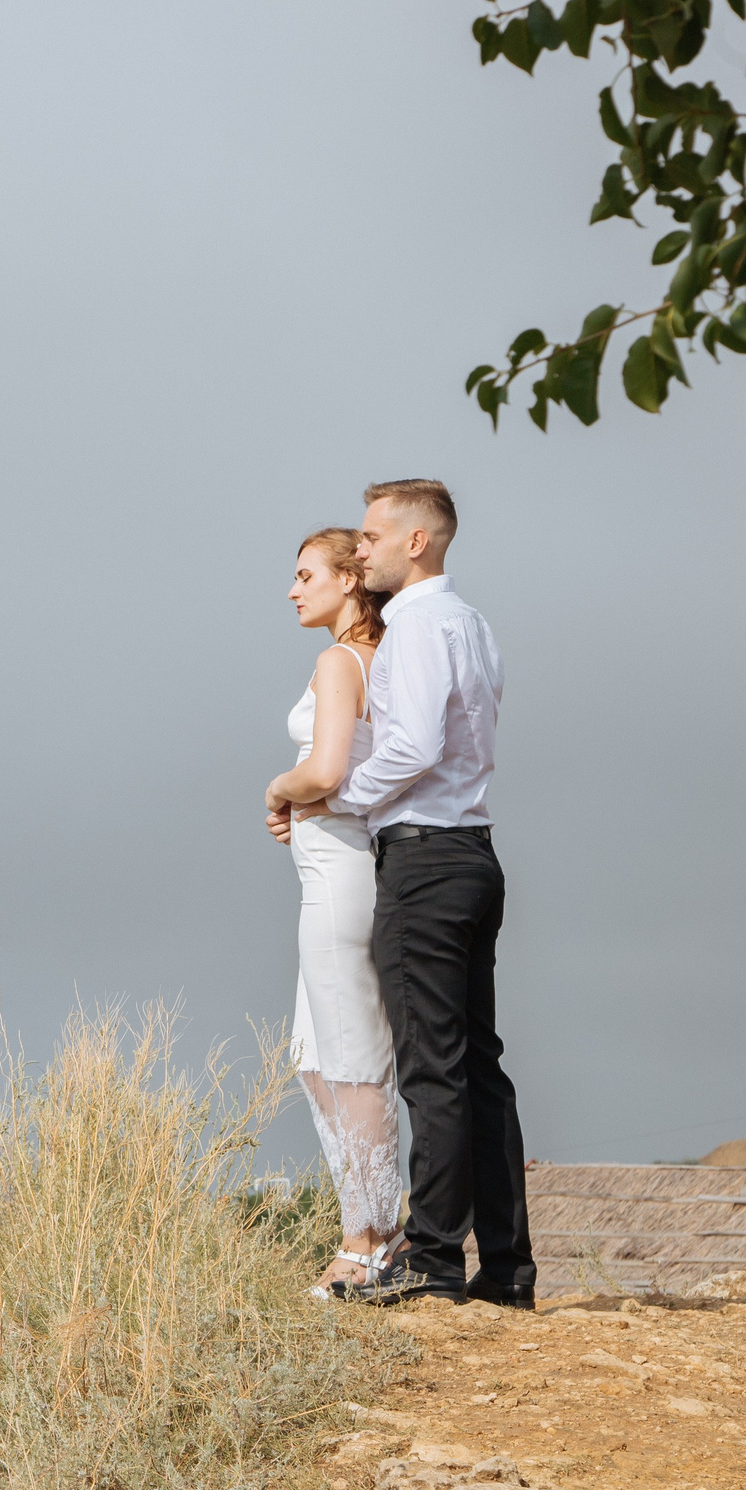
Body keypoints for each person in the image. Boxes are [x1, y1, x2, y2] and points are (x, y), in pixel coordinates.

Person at [329, 479, 530, 1308]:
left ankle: (436, 1257)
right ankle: (509, 1269)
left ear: (417, 541)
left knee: (433, 1067)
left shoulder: (414, 626)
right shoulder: (473, 624)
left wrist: (338, 797)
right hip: (476, 853)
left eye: (372, 536)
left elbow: (410, 745)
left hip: (424, 859)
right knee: (480, 1068)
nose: (360, 549)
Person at [264, 529, 407, 1297]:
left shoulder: (337, 661)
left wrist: (278, 790)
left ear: (350, 580)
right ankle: (370, 1221)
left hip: (337, 880)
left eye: (305, 574)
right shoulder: (380, 658)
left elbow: (325, 768)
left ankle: (370, 1236)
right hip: (340, 868)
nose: (293, 589)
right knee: (318, 1055)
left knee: (349, 1059)